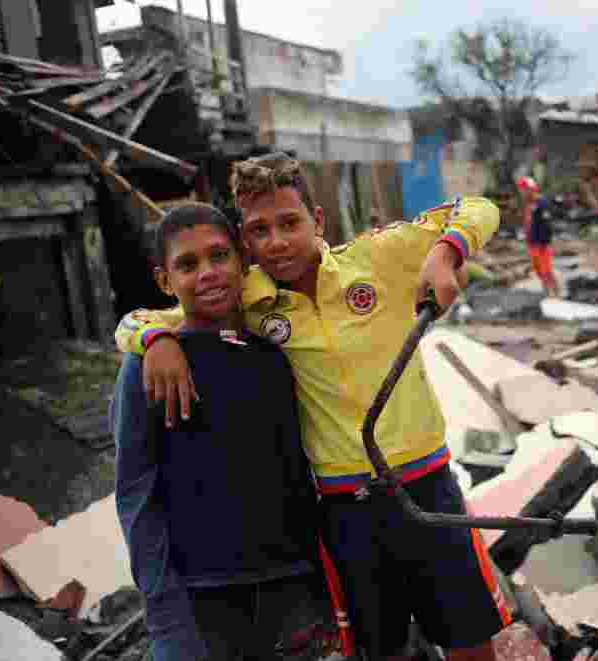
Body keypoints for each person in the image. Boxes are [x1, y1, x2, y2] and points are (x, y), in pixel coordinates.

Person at [114, 153, 512, 661]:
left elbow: (478, 207)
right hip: (346, 510)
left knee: (469, 639)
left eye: (289, 222)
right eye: (259, 230)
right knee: (381, 647)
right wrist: (153, 339)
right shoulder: (251, 297)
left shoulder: (379, 256)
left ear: (317, 221)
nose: (277, 241)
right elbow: (146, 317)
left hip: (426, 485)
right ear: (246, 242)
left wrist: (445, 252)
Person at [111, 204, 335, 661]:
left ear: (243, 262)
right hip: (198, 600)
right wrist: (163, 602)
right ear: (164, 281)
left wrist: (321, 590)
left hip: (291, 593)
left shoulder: (276, 356)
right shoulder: (149, 367)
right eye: (187, 265)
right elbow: (136, 492)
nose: (208, 274)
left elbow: (300, 473)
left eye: (219, 256)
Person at [518, 176, 561, 297]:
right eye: (521, 189)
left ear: (531, 189)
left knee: (546, 270)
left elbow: (547, 224)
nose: (522, 192)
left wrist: (544, 242)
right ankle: (547, 293)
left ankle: (557, 294)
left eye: (524, 189)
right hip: (532, 243)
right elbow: (529, 223)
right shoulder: (528, 204)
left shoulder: (541, 203)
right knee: (539, 271)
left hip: (541, 244)